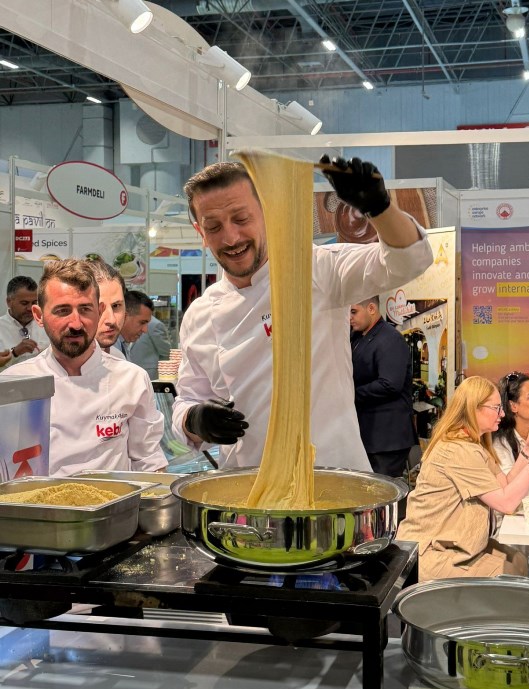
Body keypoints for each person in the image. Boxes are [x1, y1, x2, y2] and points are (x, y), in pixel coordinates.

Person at [171, 156, 434, 470]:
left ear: (267, 214)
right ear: (200, 232)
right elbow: (187, 400)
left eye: (241, 219)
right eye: (213, 227)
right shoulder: (199, 314)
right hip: (245, 481)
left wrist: (379, 208)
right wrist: (194, 419)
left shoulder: (317, 270)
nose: (231, 238)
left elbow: (410, 261)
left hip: (331, 476)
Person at [1, 259, 166, 476]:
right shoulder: (15, 384)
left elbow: (149, 462)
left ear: (98, 311)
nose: (76, 324)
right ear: (39, 316)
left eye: (85, 309)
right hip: (42, 499)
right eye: (62, 310)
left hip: (116, 499)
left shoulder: (131, 379)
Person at [396, 376, 529, 580]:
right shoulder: (458, 450)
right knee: (510, 574)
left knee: (518, 561)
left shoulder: (473, 444)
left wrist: (528, 451)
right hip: (430, 553)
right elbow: (506, 503)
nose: (502, 414)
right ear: (474, 408)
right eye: (496, 408)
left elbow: (505, 485)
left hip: (452, 546)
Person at [349, 295, 417, 476]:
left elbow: (390, 384)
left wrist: (350, 394)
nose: (350, 318)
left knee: (381, 490)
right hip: (368, 435)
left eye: (354, 312)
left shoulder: (390, 339)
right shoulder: (357, 338)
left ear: (371, 309)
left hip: (387, 439)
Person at [0, 276, 50, 368]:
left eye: (34, 303)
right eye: (24, 303)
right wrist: (15, 353)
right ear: (9, 302)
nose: (30, 308)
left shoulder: (46, 325)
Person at [86, 258, 127, 357]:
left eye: (116, 306)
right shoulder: (51, 366)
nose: (111, 320)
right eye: (98, 308)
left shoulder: (119, 358)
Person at [130, 313, 171, 380]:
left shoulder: (155, 324)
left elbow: (166, 351)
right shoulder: (130, 321)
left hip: (149, 373)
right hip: (132, 370)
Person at [117, 290, 154, 360]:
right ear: (124, 316)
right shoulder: (109, 347)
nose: (145, 330)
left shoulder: (123, 345)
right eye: (142, 322)